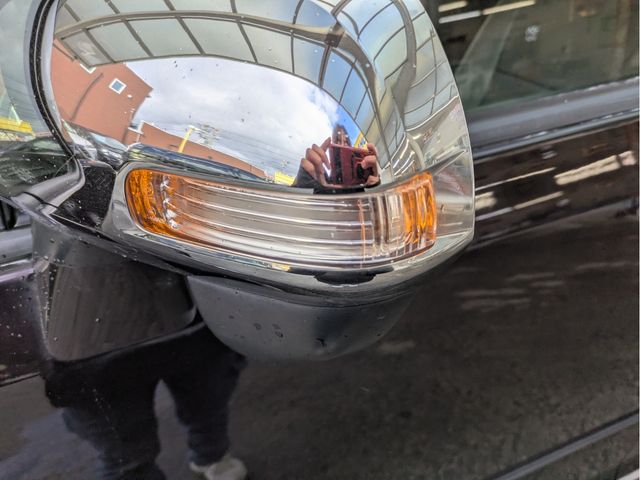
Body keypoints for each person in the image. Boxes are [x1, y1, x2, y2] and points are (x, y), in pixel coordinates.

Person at [41, 319, 247, 480]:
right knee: (126, 457)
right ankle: (211, 455)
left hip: (194, 326)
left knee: (209, 410)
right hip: (85, 352)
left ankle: (211, 455)